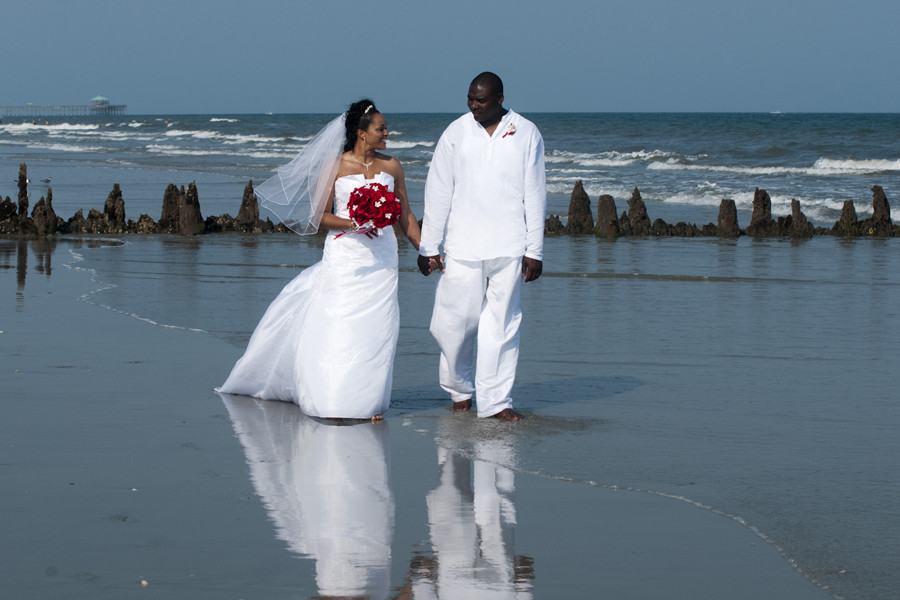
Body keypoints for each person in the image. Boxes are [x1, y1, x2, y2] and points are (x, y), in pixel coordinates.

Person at [219, 99, 422, 421]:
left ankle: (367, 401)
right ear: (361, 133)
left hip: (383, 257)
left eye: (385, 128)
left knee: (377, 328)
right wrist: (353, 223)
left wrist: (425, 249)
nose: (387, 133)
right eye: (381, 128)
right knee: (341, 324)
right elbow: (318, 216)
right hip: (346, 256)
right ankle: (334, 396)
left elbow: (405, 214)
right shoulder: (337, 167)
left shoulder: (392, 166)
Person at [417, 72, 546, 422]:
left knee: (502, 327)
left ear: (500, 98)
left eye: (481, 100)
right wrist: (429, 245)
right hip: (462, 245)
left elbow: (534, 193)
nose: (473, 105)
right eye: (470, 99)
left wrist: (535, 249)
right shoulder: (455, 133)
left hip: (509, 245)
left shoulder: (526, 132)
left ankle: (496, 402)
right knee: (453, 324)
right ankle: (460, 389)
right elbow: (439, 190)